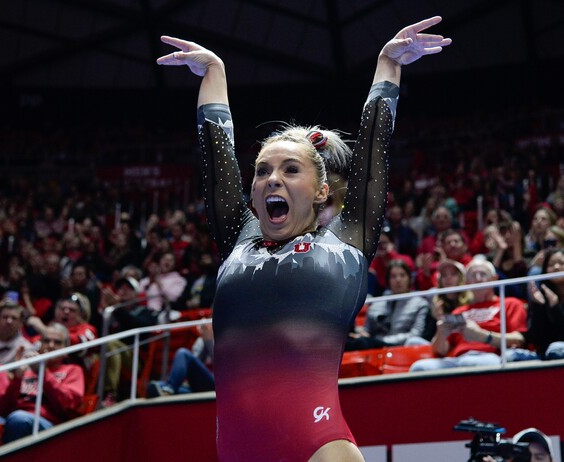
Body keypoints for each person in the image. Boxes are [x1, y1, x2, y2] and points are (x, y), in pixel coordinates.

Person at [157, 16, 451, 461]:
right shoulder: (239, 239)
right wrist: (214, 73)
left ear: (321, 191)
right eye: (262, 171)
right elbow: (216, 158)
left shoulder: (347, 245)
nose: (272, 179)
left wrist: (387, 67)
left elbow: (375, 152)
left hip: (317, 445)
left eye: (291, 170)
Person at [410, 257, 527, 372]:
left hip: (489, 356)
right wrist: (441, 333)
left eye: (483, 274)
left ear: (494, 279)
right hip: (458, 359)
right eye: (473, 275)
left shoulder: (510, 303)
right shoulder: (459, 311)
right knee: (420, 367)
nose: (478, 279)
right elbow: (440, 351)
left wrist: (484, 336)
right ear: (467, 282)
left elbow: (519, 339)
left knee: (480, 363)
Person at [0, 323, 84, 443]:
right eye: (46, 341)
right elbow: (1, 410)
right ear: (40, 345)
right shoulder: (28, 370)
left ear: (66, 350)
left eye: (57, 342)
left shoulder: (73, 370)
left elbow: (67, 406)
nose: (51, 346)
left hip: (49, 424)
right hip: (16, 418)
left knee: (18, 418)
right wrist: (17, 378)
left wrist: (43, 373)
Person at [348, 260, 430, 350]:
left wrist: (383, 340)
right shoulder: (378, 303)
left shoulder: (420, 304)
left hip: (400, 347)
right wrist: (361, 332)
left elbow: (415, 334)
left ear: (409, 278)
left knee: (363, 342)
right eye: (393, 276)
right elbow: (367, 330)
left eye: (402, 275)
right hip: (375, 344)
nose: (398, 280)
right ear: (388, 280)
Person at [147, 321, 214, 397]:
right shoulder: (200, 340)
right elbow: (194, 368)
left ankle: (169, 389)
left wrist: (209, 341)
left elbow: (223, 369)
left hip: (219, 385)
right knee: (158, 386)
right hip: (198, 386)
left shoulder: (227, 339)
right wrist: (205, 340)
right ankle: (167, 390)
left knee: (183, 353)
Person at [524, 248, 564, 360]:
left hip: (557, 349)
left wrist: (555, 307)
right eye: (551, 264)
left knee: (555, 348)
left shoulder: (553, 300)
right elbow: (536, 338)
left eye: (561, 263)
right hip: (545, 353)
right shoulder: (540, 296)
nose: (556, 267)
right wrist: (539, 306)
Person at [0, 299, 33, 365]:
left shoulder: (26, 348)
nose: (9, 321)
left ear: (20, 323)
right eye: (5, 317)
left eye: (14, 318)